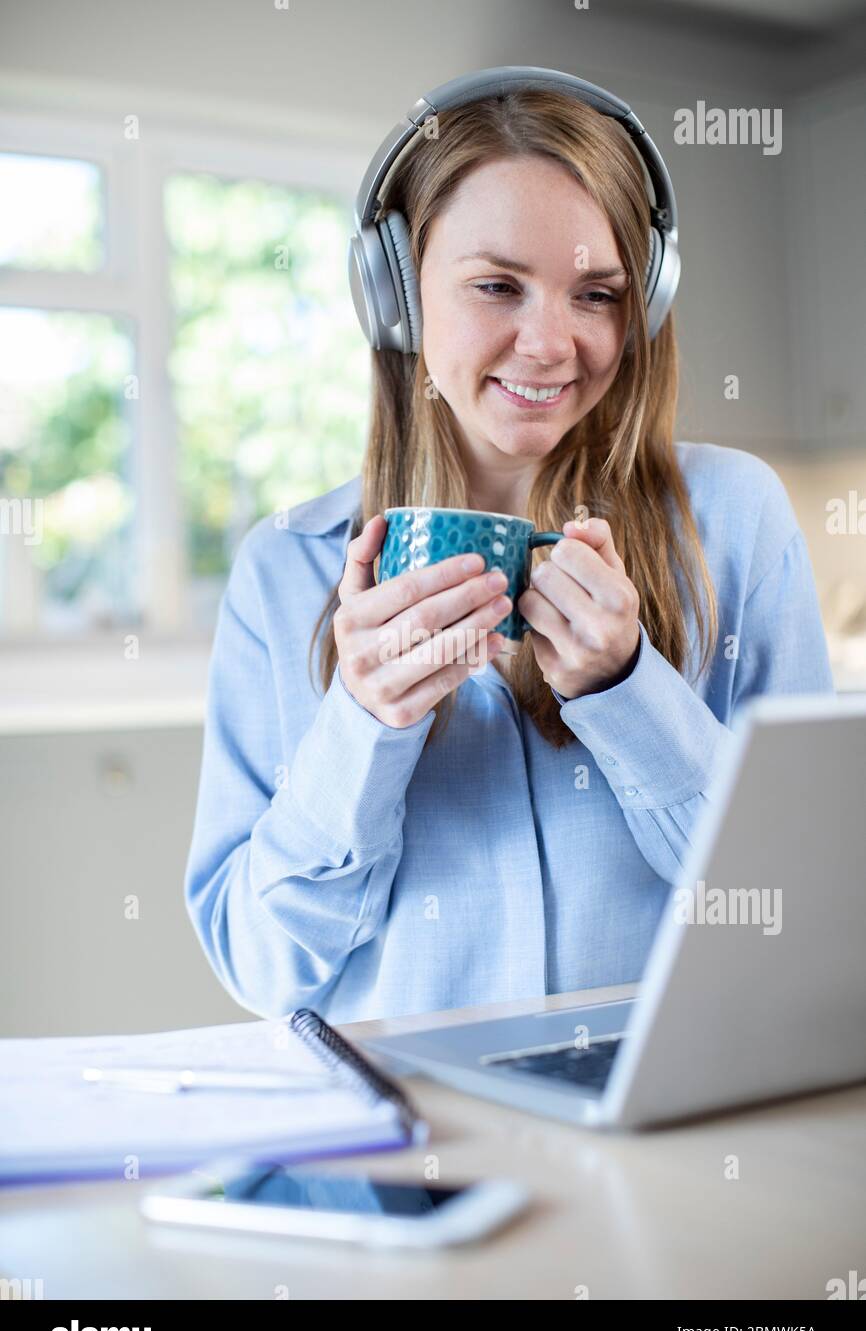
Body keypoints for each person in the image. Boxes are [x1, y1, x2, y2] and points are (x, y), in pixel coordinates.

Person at [184, 77, 834, 1025]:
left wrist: (629, 693)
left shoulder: (735, 523)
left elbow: (800, 911)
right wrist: (363, 725)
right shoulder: (282, 574)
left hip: (659, 1134)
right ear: (395, 296)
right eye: (497, 286)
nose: (550, 343)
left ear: (643, 307)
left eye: (597, 294)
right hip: (413, 1149)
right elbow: (265, 967)